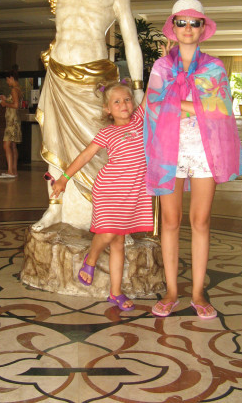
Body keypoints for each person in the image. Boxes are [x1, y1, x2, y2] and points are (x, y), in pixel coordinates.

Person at [32, 0, 144, 232]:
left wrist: (138, 87)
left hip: (94, 79)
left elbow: (132, 42)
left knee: (98, 147)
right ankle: (55, 208)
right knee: (54, 143)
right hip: (58, 74)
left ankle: (109, 214)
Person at [144, 0, 242, 320]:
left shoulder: (214, 67)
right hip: (168, 150)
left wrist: (177, 104)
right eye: (181, 22)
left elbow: (221, 109)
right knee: (170, 222)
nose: (188, 28)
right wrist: (197, 106)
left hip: (204, 149)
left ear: (203, 28)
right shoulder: (162, 68)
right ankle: (172, 292)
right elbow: (152, 106)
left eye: (194, 23)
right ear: (173, 28)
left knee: (201, 221)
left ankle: (198, 292)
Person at [50, 79, 153, 310]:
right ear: (107, 109)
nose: (123, 104)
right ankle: (92, 258)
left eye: (127, 99)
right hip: (108, 190)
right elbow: (85, 156)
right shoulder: (107, 132)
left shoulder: (139, 120)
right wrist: (64, 178)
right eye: (116, 102)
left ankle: (115, 293)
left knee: (118, 242)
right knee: (107, 234)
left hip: (131, 194)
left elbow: (152, 91)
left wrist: (163, 64)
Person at [0, 70, 23, 179]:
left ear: (11, 78)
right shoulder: (19, 89)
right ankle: (14, 170)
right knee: (13, 146)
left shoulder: (14, 90)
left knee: (6, 145)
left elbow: (16, 105)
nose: (7, 82)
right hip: (15, 120)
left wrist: (4, 103)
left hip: (11, 121)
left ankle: (10, 171)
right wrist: (6, 99)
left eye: (7, 80)